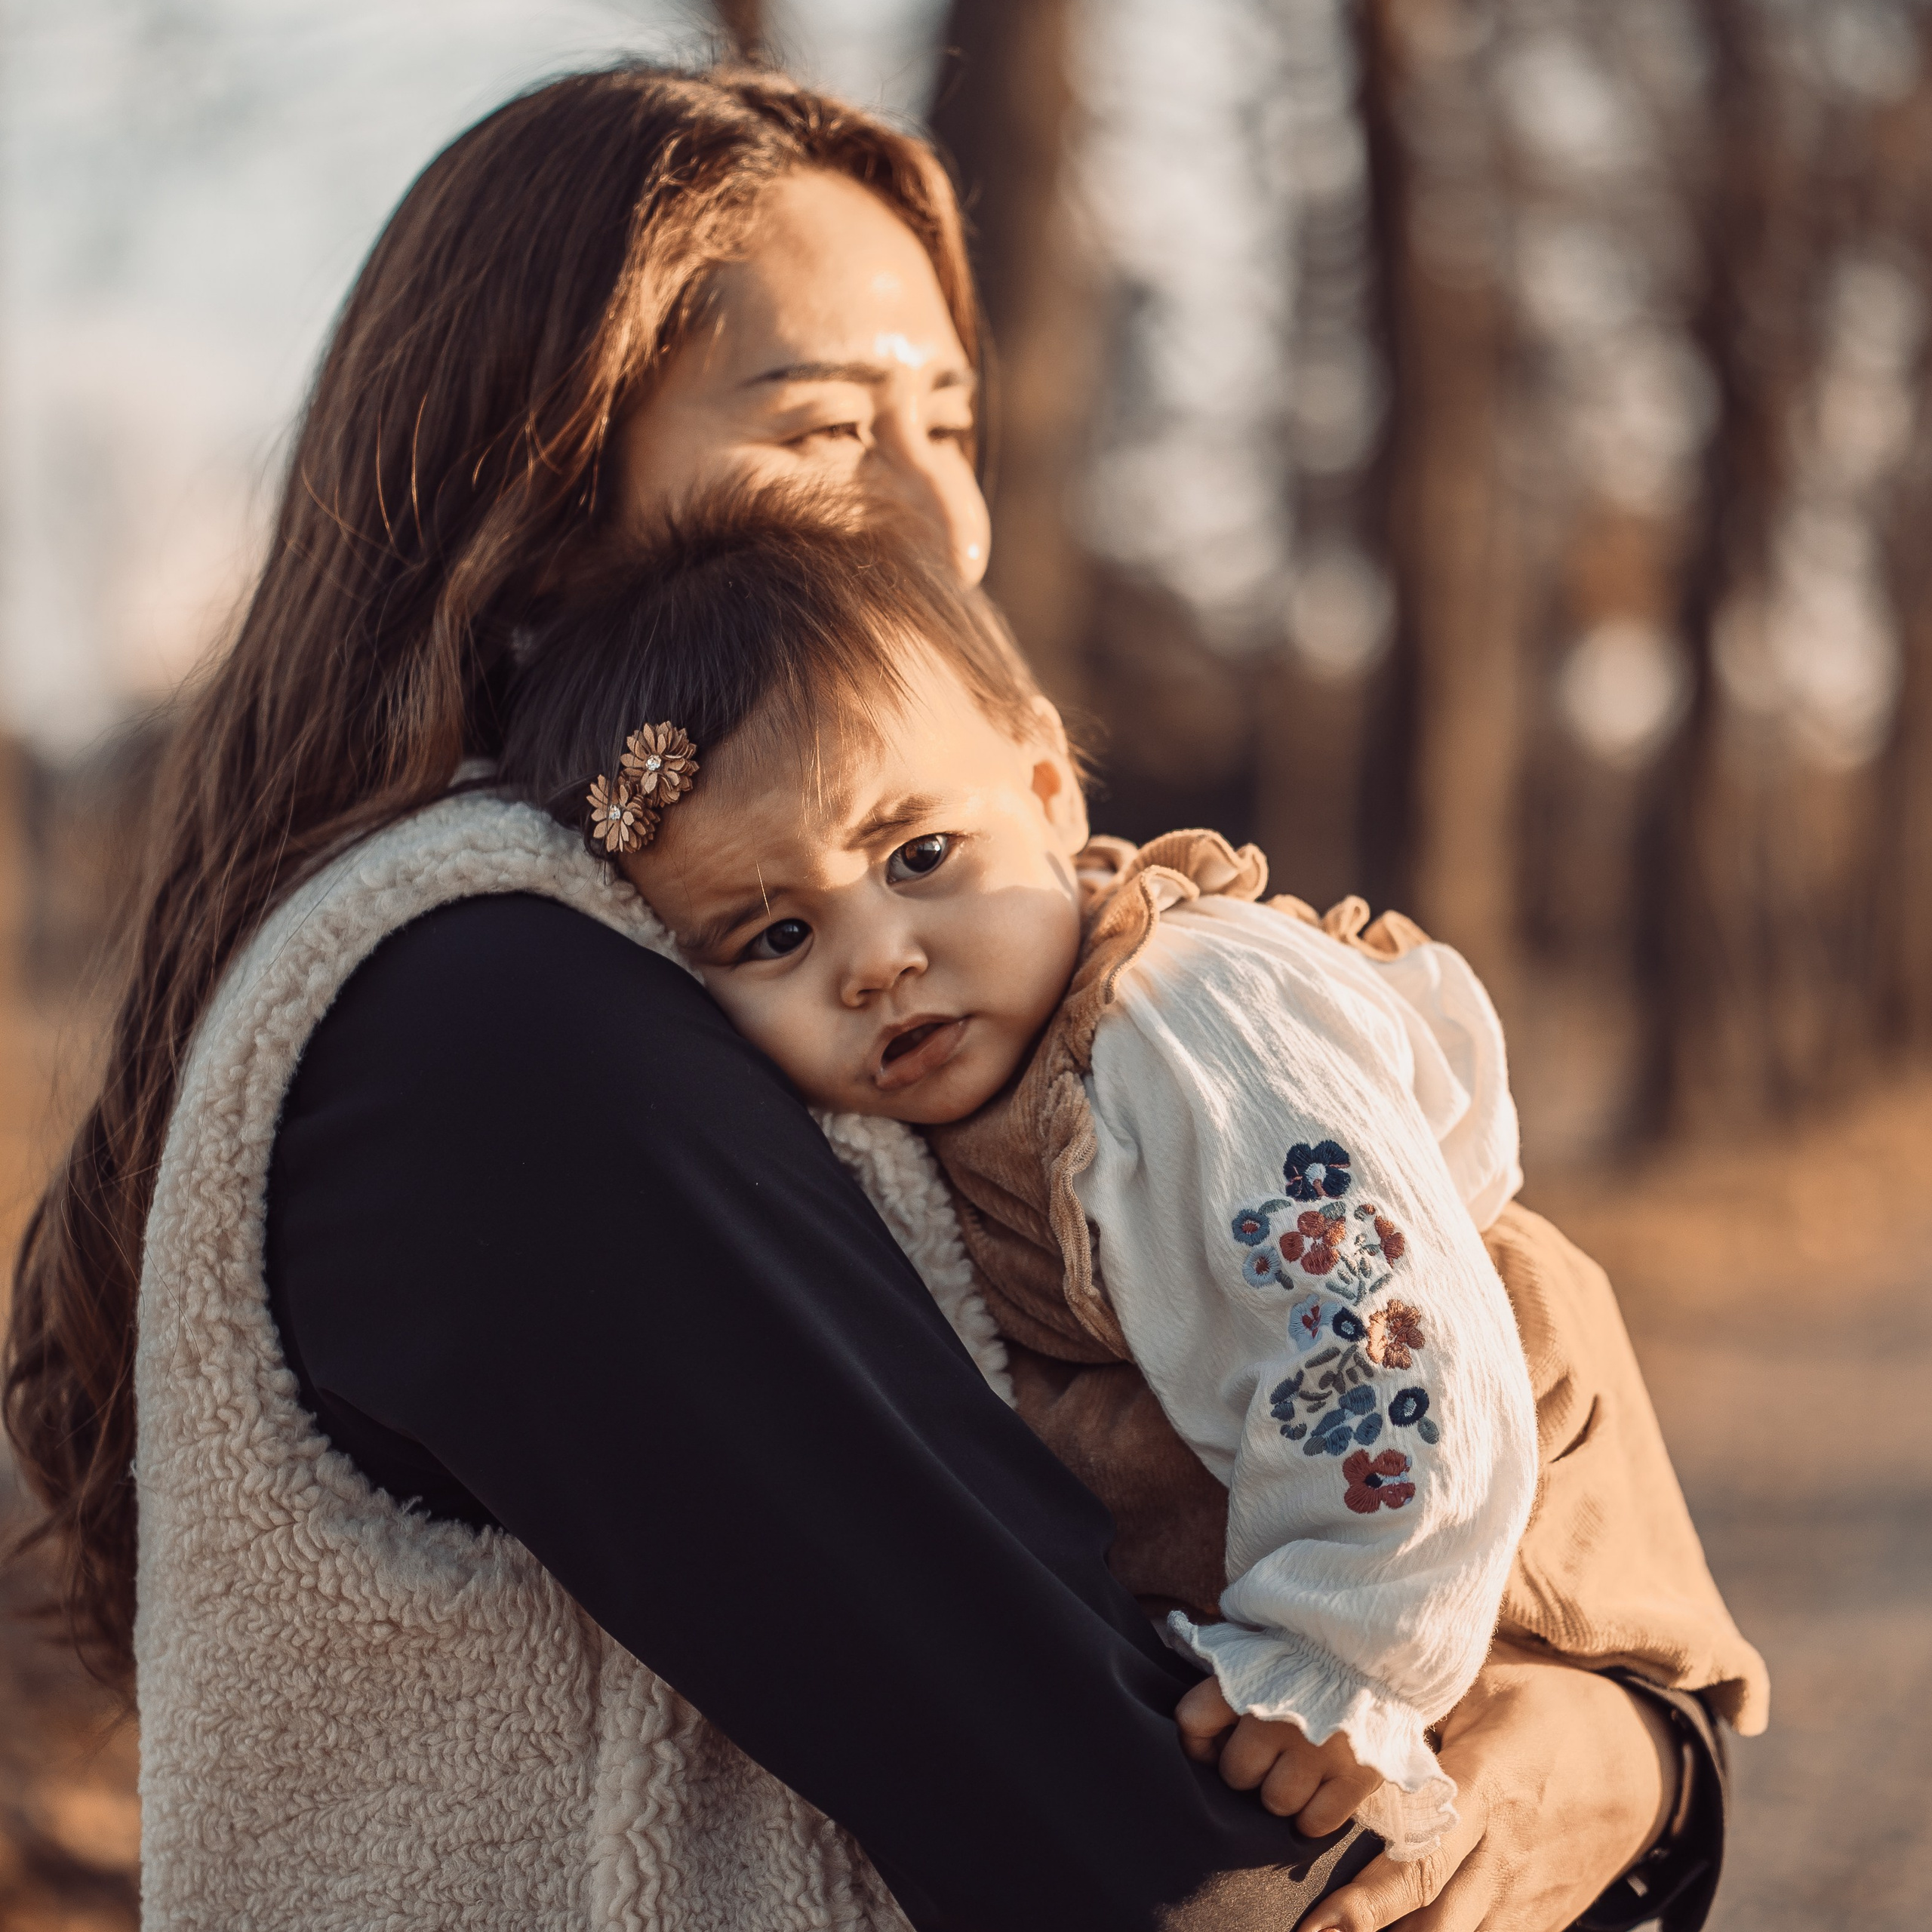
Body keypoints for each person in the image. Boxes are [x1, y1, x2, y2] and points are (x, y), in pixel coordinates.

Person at [0, 61, 1764, 1932]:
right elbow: (1164, 1863)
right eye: (828, 428)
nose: (939, 524)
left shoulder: (817, 982)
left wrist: (1630, 1751)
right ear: (537, 477)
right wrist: (1621, 1757)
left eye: (951, 420)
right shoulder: (491, 1020)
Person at [499, 500, 1542, 1874]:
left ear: (1050, 789)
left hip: (1447, 1566)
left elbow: (1391, 1334)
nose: (874, 960)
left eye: (919, 857)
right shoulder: (963, 1090)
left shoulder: (1186, 1021)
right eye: (777, 934)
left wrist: (1340, 1656)